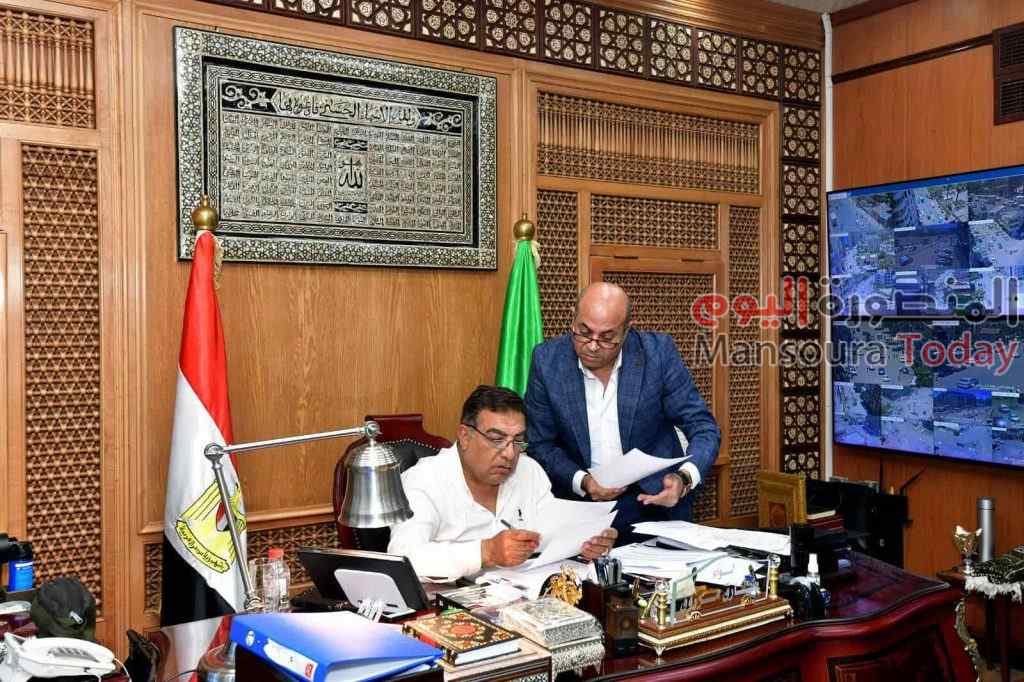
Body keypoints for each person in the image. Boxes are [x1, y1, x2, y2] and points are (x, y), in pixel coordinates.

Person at [525, 283, 720, 543]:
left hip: (655, 501)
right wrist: (583, 481)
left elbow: (703, 427)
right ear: (573, 318)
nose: (593, 346)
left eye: (607, 338)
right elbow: (540, 444)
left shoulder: (657, 354)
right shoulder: (547, 361)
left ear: (627, 330)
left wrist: (684, 478)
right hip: (584, 508)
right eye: (584, 332)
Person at [388, 385, 617, 582]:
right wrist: (486, 551)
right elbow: (404, 557)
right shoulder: (423, 480)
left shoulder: (529, 470)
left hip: (525, 595)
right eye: (497, 439)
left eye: (518, 441)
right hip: (452, 604)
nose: (509, 453)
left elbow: (550, 533)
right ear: (465, 436)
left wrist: (587, 545)